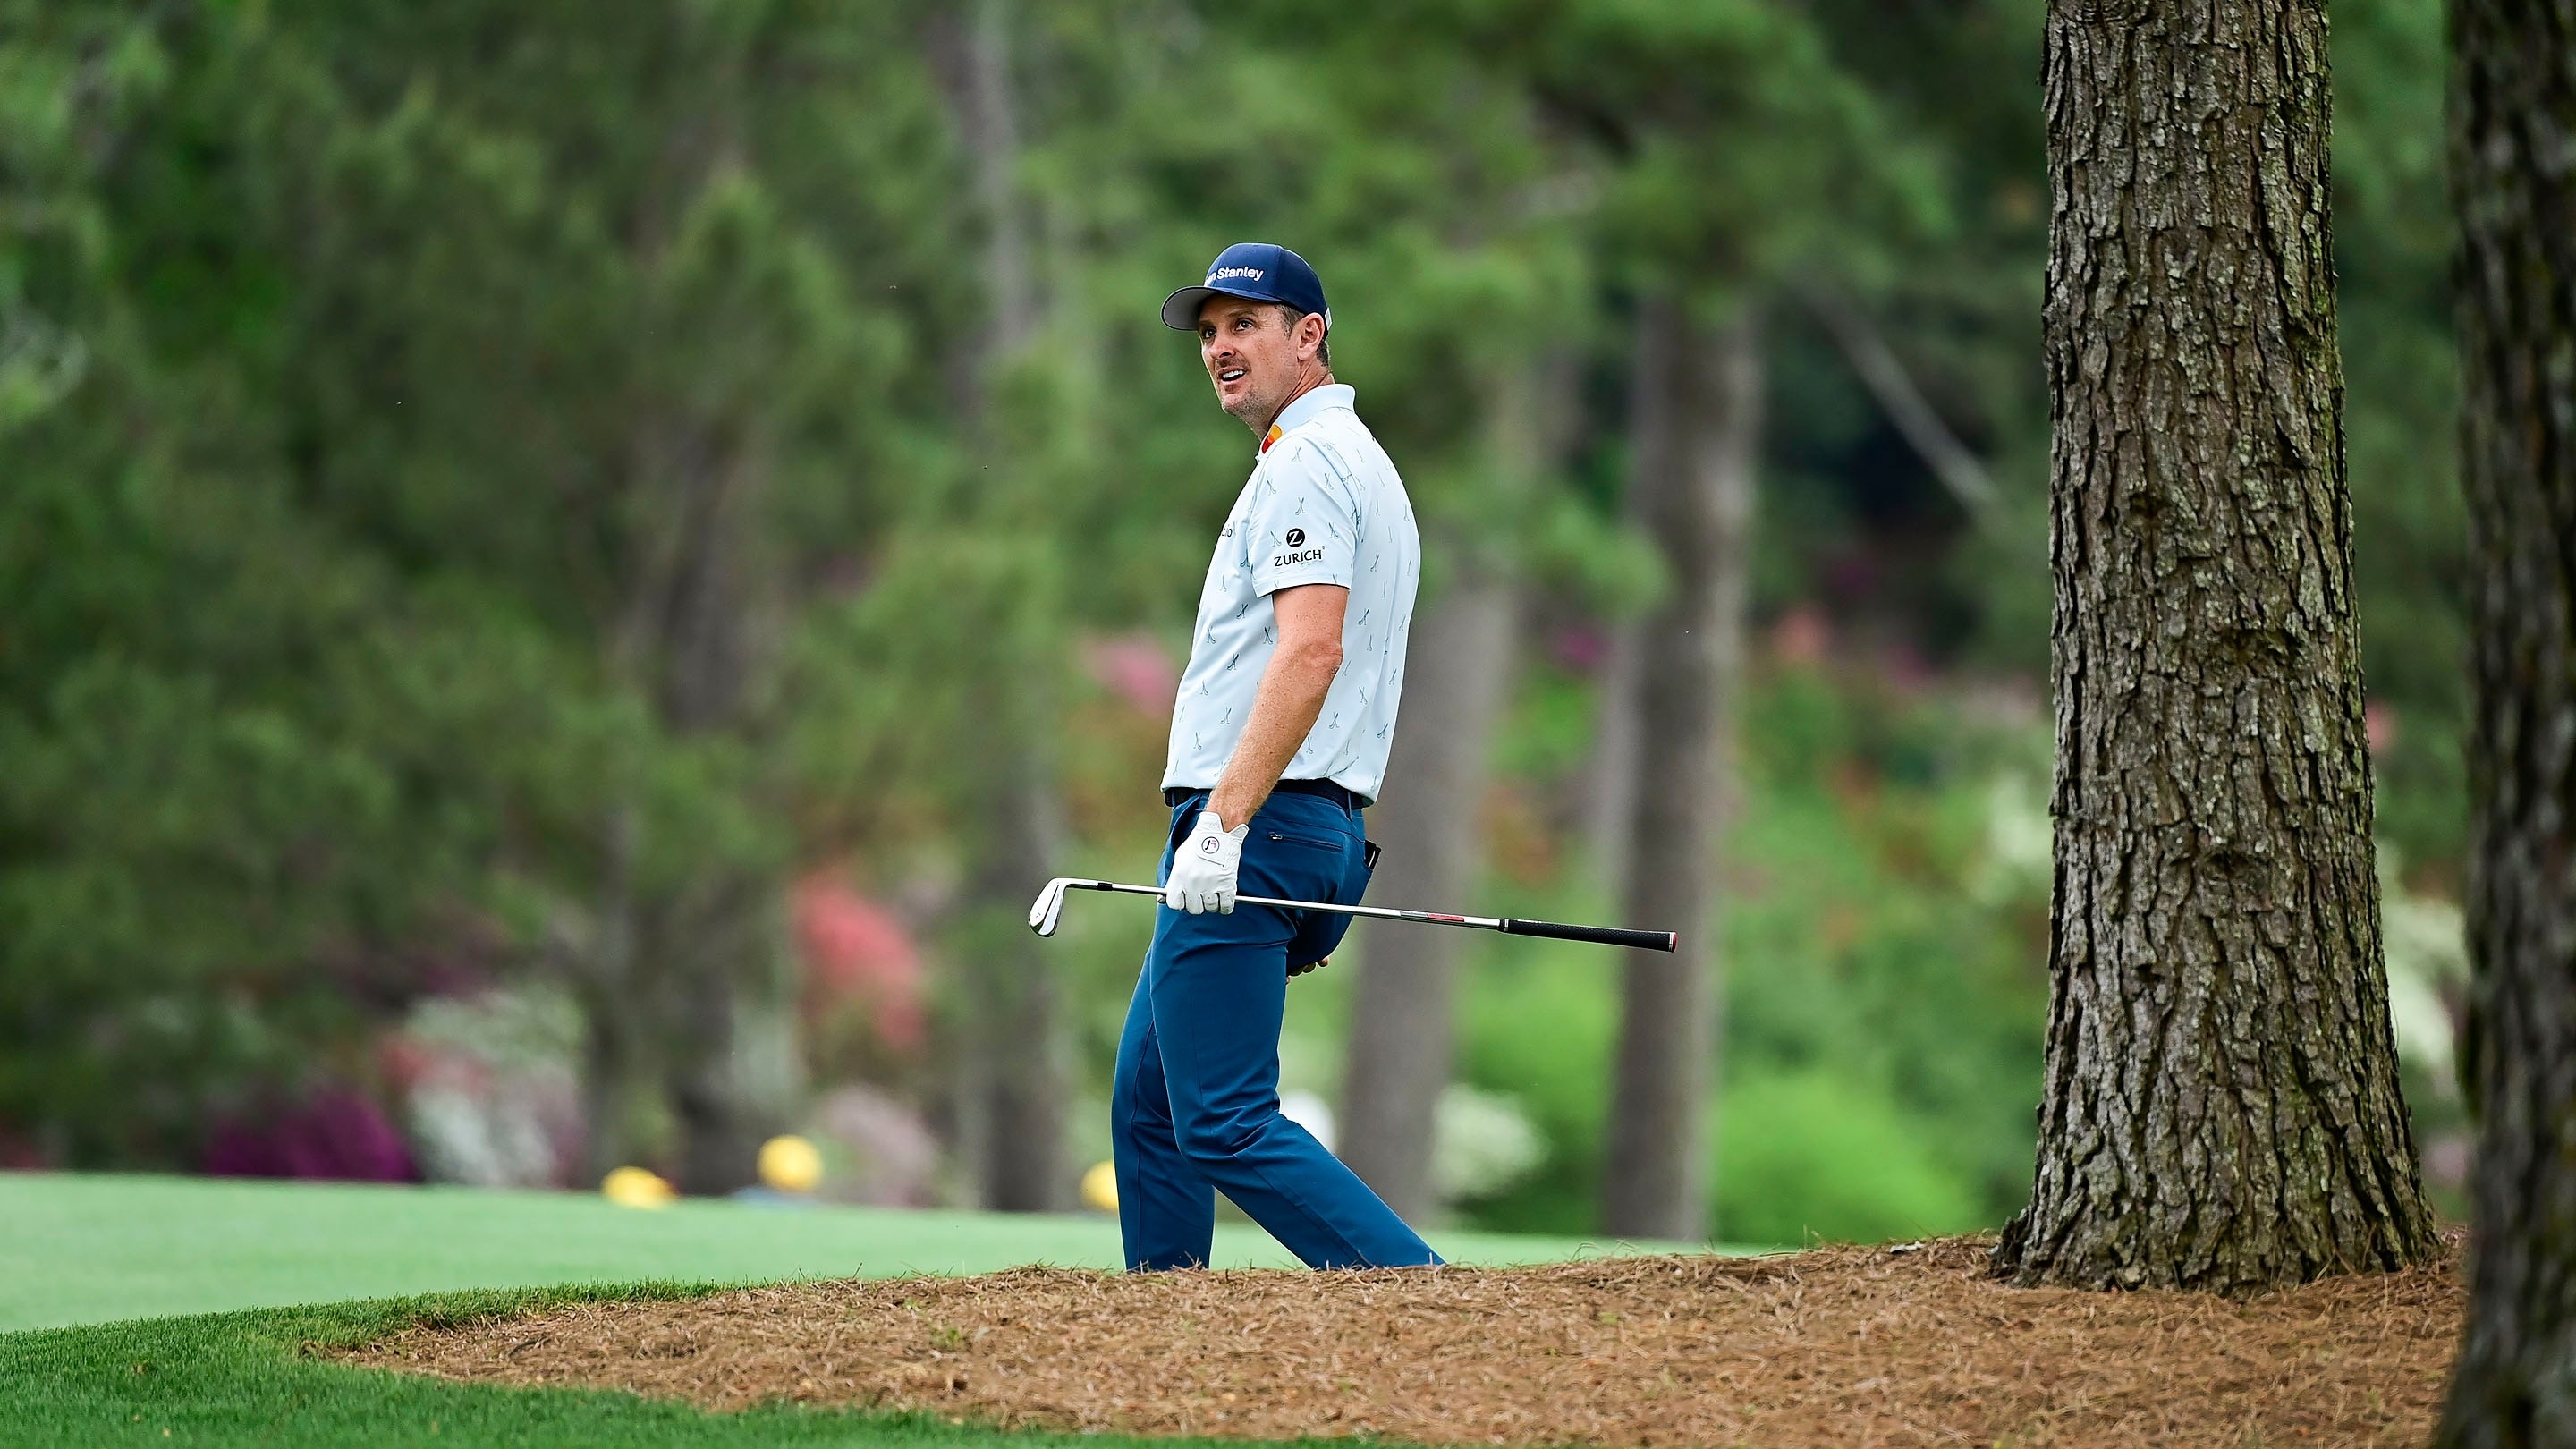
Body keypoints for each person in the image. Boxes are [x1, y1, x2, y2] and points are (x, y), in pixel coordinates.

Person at [1108, 242, 1434, 1271]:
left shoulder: (1305, 462)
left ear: (1310, 335)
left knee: (1224, 1121)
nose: (1219, 348)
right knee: (1153, 1104)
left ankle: (1430, 1302)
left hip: (1262, 825)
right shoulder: (1344, 459)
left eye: (1244, 325)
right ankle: (1168, 1343)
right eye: (1208, 332)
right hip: (1301, 823)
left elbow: (1311, 650)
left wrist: (1222, 826)